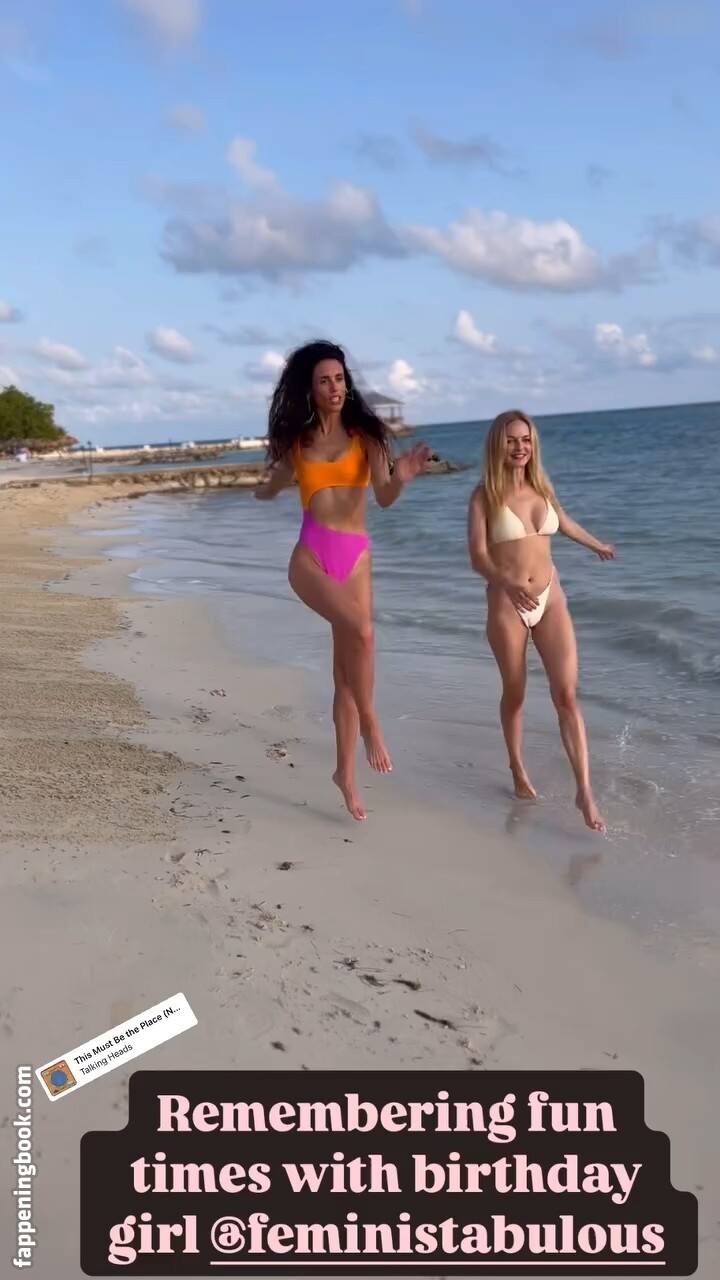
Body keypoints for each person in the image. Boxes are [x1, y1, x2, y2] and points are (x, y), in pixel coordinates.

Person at [255, 340, 431, 821]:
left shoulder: (367, 436)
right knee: (364, 633)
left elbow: (385, 497)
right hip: (311, 557)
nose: (335, 387)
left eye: (339, 379)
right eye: (324, 381)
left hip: (356, 560)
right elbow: (275, 483)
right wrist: (265, 489)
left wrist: (403, 475)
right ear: (310, 390)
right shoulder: (298, 442)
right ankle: (373, 724)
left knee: (345, 676)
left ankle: (345, 776)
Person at [467, 409, 615, 832]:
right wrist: (506, 582)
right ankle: (516, 767)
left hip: (551, 598)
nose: (520, 447)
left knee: (566, 694)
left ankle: (584, 790)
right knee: (515, 694)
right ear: (498, 445)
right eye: (512, 440)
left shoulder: (542, 487)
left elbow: (562, 523)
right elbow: (478, 556)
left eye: (526, 439)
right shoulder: (484, 495)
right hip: (506, 601)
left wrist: (596, 545)